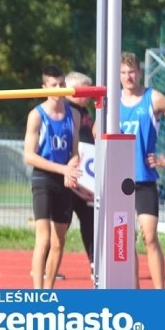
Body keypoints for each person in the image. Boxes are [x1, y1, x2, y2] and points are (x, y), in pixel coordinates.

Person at [23, 65, 81, 289]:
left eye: (62, 84)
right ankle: (37, 292)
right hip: (44, 179)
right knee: (44, 238)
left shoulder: (73, 114)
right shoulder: (36, 115)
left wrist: (72, 165)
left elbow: (75, 152)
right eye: (54, 85)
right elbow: (29, 156)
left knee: (59, 241)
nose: (59, 89)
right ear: (44, 87)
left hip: (64, 180)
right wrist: (62, 169)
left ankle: (48, 290)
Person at [118, 51, 165, 289]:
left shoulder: (154, 98)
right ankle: (134, 294)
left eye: (132, 71)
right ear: (118, 75)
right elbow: (97, 133)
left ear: (140, 72)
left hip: (144, 178)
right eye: (123, 72)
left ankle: (160, 294)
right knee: (126, 241)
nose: (128, 76)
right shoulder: (111, 103)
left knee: (149, 237)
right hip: (119, 181)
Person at [64, 70, 96, 277]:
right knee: (60, 224)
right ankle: (46, 266)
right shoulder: (64, 110)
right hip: (67, 174)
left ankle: (95, 263)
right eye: (86, 89)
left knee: (90, 220)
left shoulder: (86, 112)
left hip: (86, 175)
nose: (90, 94)